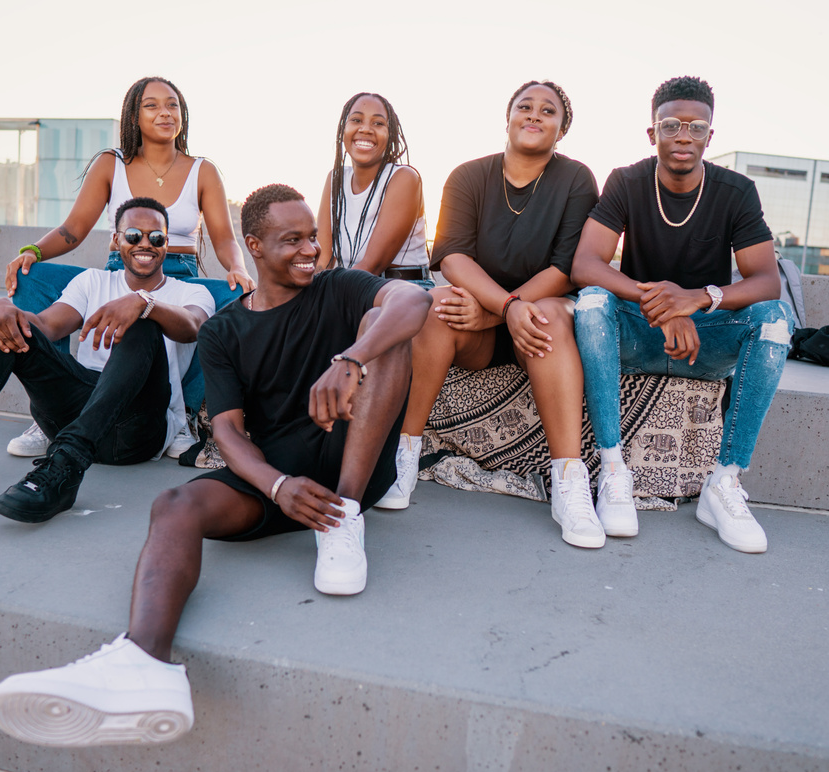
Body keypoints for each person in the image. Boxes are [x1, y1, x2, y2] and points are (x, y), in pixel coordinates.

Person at [0, 184, 431, 747]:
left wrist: (351, 358)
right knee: (175, 503)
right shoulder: (224, 329)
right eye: (291, 240)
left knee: (388, 334)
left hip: (350, 461)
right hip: (278, 478)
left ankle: (342, 520)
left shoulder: (340, 288)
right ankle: (144, 660)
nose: (309, 250)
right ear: (255, 245)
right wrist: (277, 485)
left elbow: (415, 302)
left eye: (312, 238)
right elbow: (226, 429)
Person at [0, 198, 214, 526]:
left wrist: (144, 304)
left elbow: (193, 327)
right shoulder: (93, 281)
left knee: (143, 326)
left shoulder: (190, 293)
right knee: (11, 331)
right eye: (134, 235)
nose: (146, 244)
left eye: (156, 237)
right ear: (116, 240)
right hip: (79, 409)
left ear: (166, 244)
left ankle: (65, 466)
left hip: (139, 428)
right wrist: (6, 310)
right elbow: (47, 326)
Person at [376, 80, 607, 549]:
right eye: (525, 106)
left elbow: (566, 268)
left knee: (548, 315)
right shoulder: (468, 175)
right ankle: (404, 453)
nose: (535, 115)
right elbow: (453, 257)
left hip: (537, 319)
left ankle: (568, 480)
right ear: (507, 117)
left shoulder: (577, 179)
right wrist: (502, 308)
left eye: (549, 111)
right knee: (437, 303)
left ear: (561, 130)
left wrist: (510, 311)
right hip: (481, 319)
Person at [571, 76, 794, 554]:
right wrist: (662, 305)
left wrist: (696, 299)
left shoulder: (736, 192)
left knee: (774, 318)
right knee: (591, 301)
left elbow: (766, 281)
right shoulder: (627, 181)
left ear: (710, 137)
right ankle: (613, 471)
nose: (683, 136)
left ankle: (725, 483)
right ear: (652, 133)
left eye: (696, 127)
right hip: (635, 332)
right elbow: (586, 263)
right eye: (671, 125)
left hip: (705, 340)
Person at [3, 76, 254, 458]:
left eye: (172, 105)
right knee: (29, 278)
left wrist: (238, 269)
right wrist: (33, 251)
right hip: (117, 272)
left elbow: (223, 238)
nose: (165, 112)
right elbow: (74, 229)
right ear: (134, 116)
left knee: (238, 301)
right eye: (151, 105)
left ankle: (182, 412)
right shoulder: (111, 164)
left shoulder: (202, 170)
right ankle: (51, 410)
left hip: (178, 276)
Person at [315, 92, 432, 288]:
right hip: (347, 286)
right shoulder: (335, 178)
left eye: (378, 123)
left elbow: (372, 265)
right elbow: (323, 260)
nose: (366, 129)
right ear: (344, 129)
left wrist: (327, 298)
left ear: (390, 134)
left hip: (403, 288)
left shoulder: (403, 178)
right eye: (356, 120)